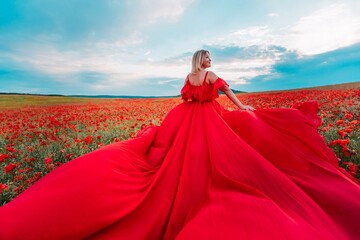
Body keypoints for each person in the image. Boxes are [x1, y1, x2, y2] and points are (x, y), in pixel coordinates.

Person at [0, 49, 359, 239]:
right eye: (208, 58)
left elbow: (184, 98)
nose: (211, 62)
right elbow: (227, 93)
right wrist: (243, 107)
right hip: (209, 118)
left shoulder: (188, 76)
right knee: (216, 158)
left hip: (187, 117)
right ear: (202, 59)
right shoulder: (212, 76)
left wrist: (194, 107)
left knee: (177, 155)